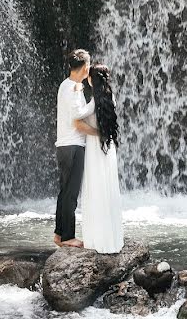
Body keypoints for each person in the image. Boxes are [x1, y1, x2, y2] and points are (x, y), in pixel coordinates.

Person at [53, 49, 99, 248]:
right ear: (87, 67)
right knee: (71, 194)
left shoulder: (67, 85)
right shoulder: (73, 88)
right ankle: (68, 237)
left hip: (65, 145)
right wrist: (96, 101)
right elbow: (78, 120)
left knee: (64, 193)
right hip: (73, 146)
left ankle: (59, 233)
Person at [80, 64, 123, 253]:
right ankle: (112, 238)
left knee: (96, 189)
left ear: (91, 80)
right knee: (108, 189)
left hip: (95, 149)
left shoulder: (92, 103)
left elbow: (75, 117)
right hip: (109, 147)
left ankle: (97, 240)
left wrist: (74, 92)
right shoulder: (110, 98)